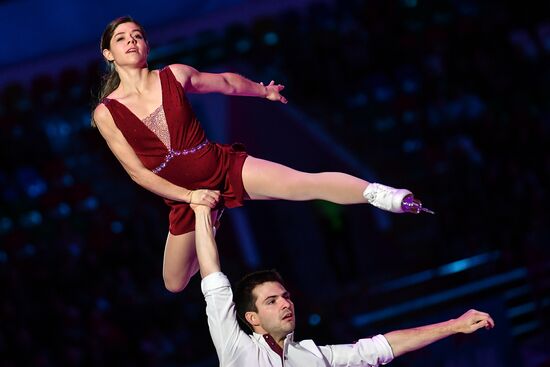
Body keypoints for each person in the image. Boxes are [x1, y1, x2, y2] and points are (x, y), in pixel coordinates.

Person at [92, 16, 432, 293]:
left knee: (302, 184)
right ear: (108, 53)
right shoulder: (106, 113)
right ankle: (214, 216)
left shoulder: (173, 75)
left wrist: (263, 92)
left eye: (137, 35)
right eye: (122, 38)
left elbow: (225, 82)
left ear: (148, 45)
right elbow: (138, 173)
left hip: (220, 167)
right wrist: (192, 198)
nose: (132, 41)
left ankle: (381, 194)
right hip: (185, 198)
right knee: (175, 283)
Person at [193, 204, 495, 366]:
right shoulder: (237, 351)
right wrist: (201, 211)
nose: (286, 303)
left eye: (285, 296)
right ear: (252, 320)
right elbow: (214, 282)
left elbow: (382, 348)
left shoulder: (312, 357)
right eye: (271, 301)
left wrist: (453, 325)